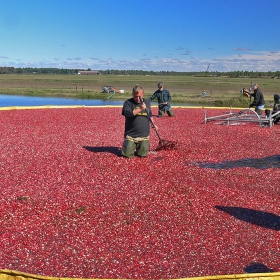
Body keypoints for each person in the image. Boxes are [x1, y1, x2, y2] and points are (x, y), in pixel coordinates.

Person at [121, 85, 156, 158]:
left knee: (142, 155)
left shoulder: (147, 102)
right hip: (131, 135)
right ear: (132, 94)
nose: (137, 99)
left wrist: (153, 124)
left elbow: (150, 115)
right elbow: (128, 114)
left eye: (139, 96)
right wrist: (140, 108)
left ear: (143, 94)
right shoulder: (128, 103)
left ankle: (140, 148)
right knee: (127, 155)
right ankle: (130, 146)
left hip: (144, 135)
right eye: (135, 96)